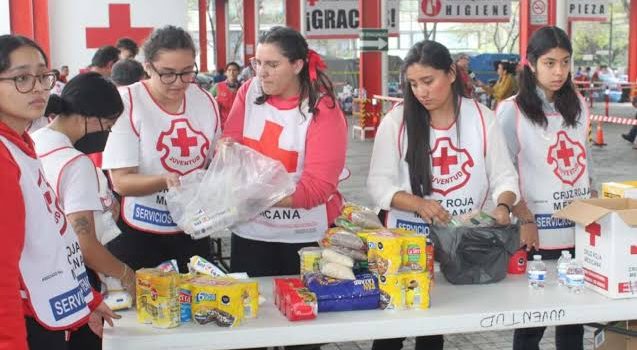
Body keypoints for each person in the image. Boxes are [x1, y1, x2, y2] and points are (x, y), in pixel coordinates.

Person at [367, 40, 520, 350]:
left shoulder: (481, 118)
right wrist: (418, 204)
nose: (421, 91)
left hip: (458, 247)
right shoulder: (396, 121)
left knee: (434, 329)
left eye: (428, 81)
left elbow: (504, 175)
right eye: (413, 84)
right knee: (390, 331)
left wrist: (503, 205)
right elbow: (378, 185)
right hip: (405, 246)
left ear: (451, 74)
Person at [0, 34, 118, 350]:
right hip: (23, 323)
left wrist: (87, 300)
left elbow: (54, 236)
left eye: (43, 76)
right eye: (22, 78)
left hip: (43, 312)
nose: (38, 87)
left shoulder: (24, 143)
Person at [497, 26, 593, 350]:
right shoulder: (512, 111)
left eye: (565, 62)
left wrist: (591, 200)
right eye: (550, 63)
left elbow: (582, 161)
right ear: (532, 63)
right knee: (530, 325)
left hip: (577, 231)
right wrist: (524, 218)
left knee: (573, 323)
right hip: (536, 232)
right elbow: (502, 173)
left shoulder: (578, 103)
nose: (559, 71)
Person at [223, 26, 347, 277]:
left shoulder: (322, 109)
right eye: (257, 62)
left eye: (272, 64)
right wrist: (223, 152)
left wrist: (255, 197)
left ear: (297, 65)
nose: (261, 72)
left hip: (305, 235)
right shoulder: (249, 92)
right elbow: (231, 143)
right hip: (251, 231)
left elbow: (319, 187)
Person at [102, 25, 221, 272]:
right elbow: (122, 182)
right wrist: (166, 180)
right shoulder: (127, 102)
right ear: (147, 67)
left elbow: (211, 162)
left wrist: (225, 154)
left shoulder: (206, 100)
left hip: (192, 227)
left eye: (187, 72)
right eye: (167, 74)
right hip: (140, 229)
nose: (178, 83)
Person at [32, 72, 132, 350]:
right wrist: (127, 276)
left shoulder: (35, 140)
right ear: (88, 116)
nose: (107, 134)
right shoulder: (75, 164)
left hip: (38, 280)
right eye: (108, 125)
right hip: (71, 280)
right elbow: (83, 244)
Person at [210, 61, 241, 128]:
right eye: (229, 70)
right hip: (222, 126)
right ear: (226, 73)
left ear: (239, 72)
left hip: (239, 126)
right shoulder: (217, 87)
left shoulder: (243, 88)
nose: (232, 73)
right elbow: (208, 100)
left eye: (234, 70)